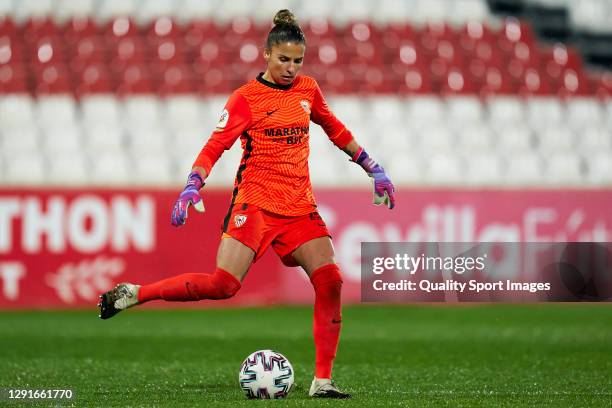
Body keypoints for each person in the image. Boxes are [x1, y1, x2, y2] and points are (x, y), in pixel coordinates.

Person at [98, 9, 395, 399]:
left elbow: (335, 129)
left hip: (299, 207)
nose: (291, 68)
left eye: (297, 61)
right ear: (266, 55)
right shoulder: (245, 98)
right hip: (254, 205)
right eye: (283, 59)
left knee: (331, 280)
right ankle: (136, 293)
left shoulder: (308, 90)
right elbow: (214, 145)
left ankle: (322, 380)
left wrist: (372, 167)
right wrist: (193, 185)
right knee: (223, 286)